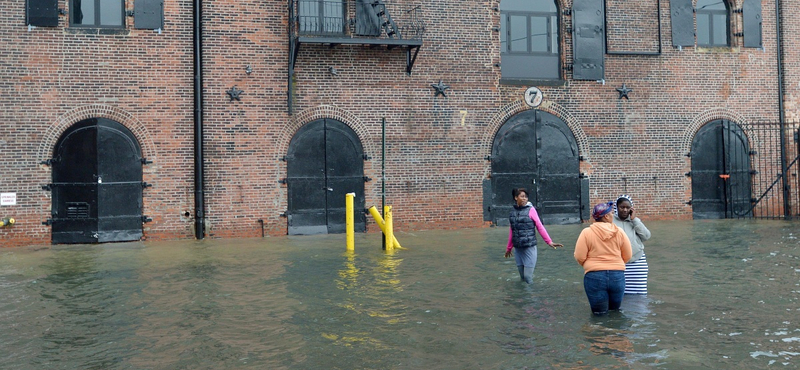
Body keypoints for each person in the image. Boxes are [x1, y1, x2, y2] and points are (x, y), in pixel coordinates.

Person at [574, 201, 632, 315]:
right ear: (605, 216)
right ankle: (615, 332)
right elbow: (628, 255)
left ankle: (600, 332)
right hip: (617, 276)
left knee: (598, 315)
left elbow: (579, 256)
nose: (612, 215)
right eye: (611, 213)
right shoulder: (619, 232)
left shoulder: (586, 232)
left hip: (594, 276)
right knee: (615, 313)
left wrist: (590, 265)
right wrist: (616, 264)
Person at [504, 187, 563, 284]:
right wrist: (509, 248)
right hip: (518, 249)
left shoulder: (531, 210)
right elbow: (512, 230)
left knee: (528, 277)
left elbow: (540, 226)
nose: (524, 199)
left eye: (526, 197)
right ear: (515, 197)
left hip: (529, 247)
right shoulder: (512, 212)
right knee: (522, 277)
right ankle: (522, 297)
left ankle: (531, 297)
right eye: (522, 196)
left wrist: (549, 241)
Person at [613, 195, 652, 295]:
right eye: (622, 207)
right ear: (616, 208)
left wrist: (634, 220)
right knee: (621, 295)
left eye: (628, 207)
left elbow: (646, 236)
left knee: (640, 295)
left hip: (638, 262)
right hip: (618, 263)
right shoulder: (610, 222)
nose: (625, 210)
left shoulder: (635, 221)